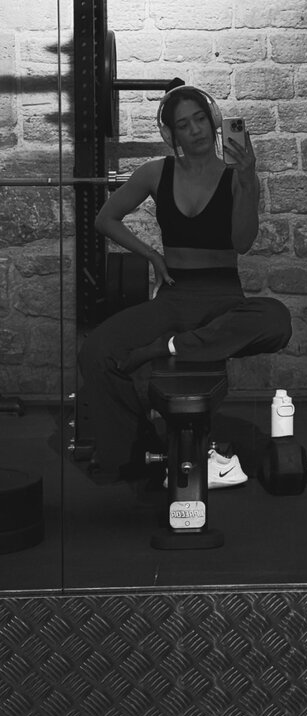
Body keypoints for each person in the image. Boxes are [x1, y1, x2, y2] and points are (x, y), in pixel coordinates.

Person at [78, 80, 292, 485]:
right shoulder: (156, 173)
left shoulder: (236, 176)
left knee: (276, 318)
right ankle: (134, 450)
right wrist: (152, 255)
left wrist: (248, 180)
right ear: (171, 134)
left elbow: (243, 243)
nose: (194, 130)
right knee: (96, 351)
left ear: (213, 122)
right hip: (175, 297)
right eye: (183, 124)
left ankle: (170, 346)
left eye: (200, 119)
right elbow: (105, 219)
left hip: (223, 298)